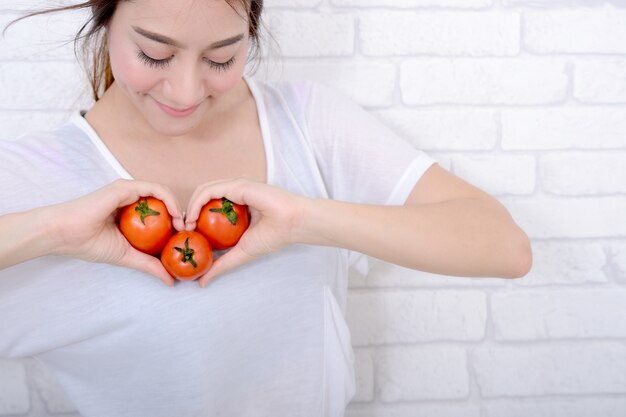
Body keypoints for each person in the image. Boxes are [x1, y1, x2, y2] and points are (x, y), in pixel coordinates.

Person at [0, 1, 532, 416]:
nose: (186, 90)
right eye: (155, 54)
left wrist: (306, 219)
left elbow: (504, 247)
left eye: (221, 58)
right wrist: (47, 230)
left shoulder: (305, 121)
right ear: (105, 18)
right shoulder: (32, 176)